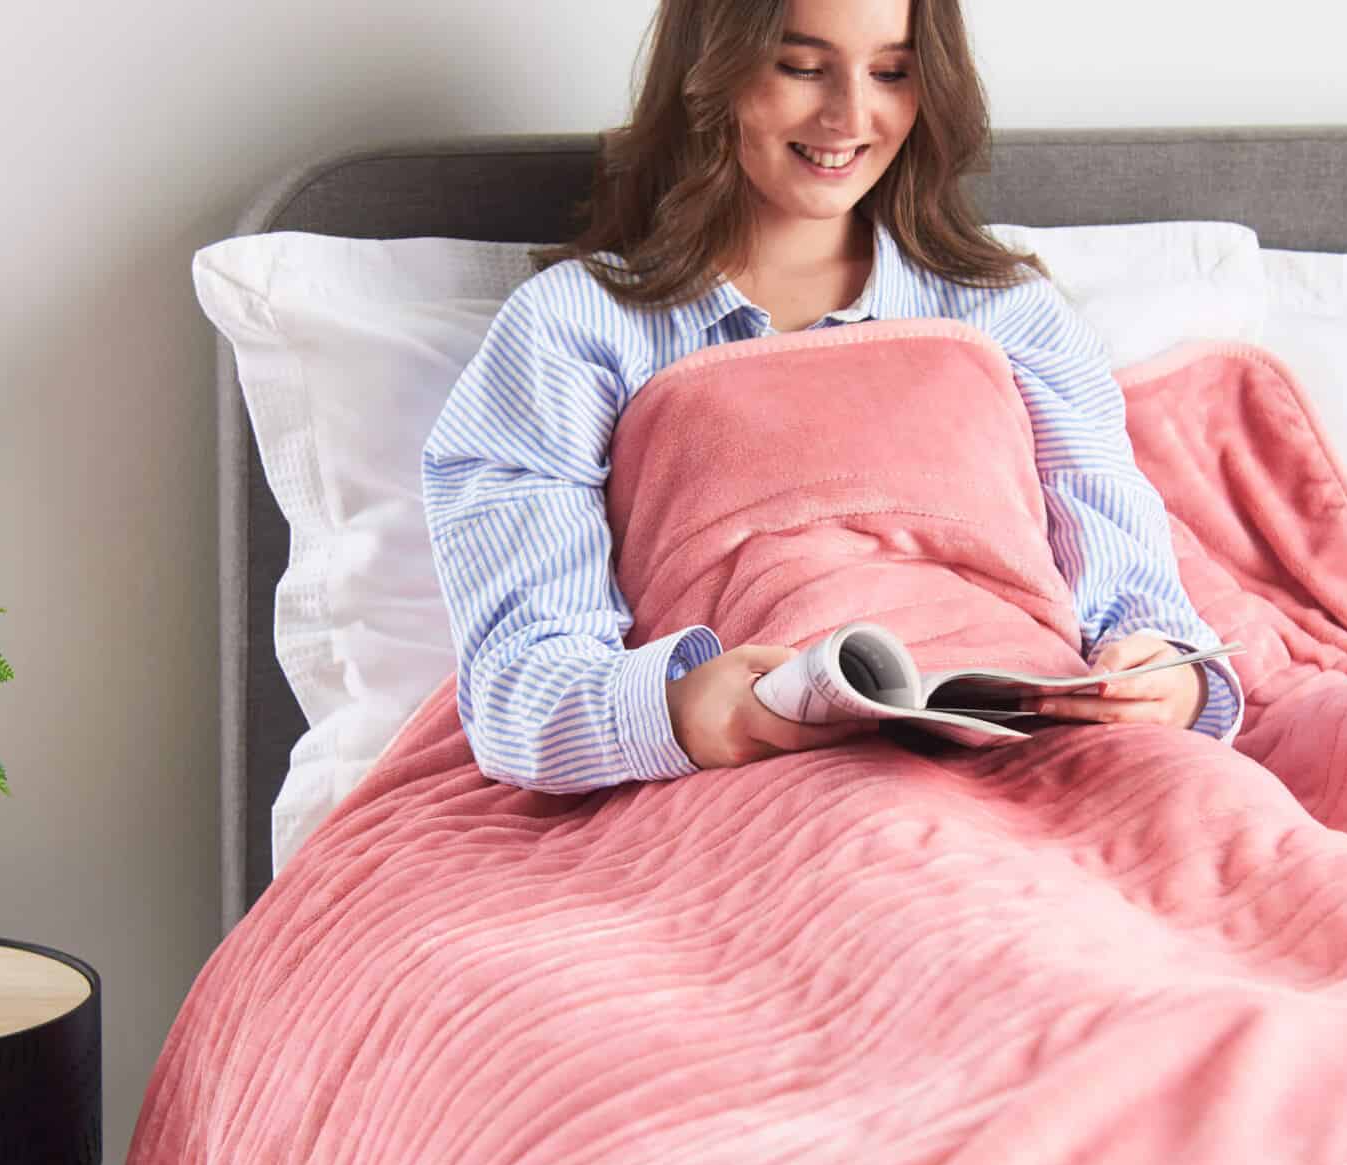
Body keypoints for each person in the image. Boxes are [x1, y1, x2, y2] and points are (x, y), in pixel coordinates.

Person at [422, 0, 1243, 792]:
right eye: (802, 67)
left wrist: (1170, 683)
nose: (850, 116)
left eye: (892, 72)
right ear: (712, 68)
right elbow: (518, 682)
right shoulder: (576, 326)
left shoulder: (1006, 312)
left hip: (1045, 751)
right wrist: (681, 710)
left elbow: (1141, 611)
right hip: (763, 781)